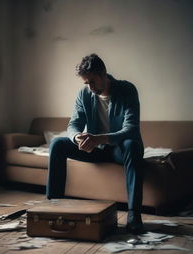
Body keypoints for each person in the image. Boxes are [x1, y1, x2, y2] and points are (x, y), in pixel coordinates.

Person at [46, 53, 145, 234]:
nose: (90, 87)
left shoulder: (127, 89)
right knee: (57, 144)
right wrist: (77, 138)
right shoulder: (84, 94)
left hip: (119, 149)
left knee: (132, 144)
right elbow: (73, 125)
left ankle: (134, 215)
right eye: (86, 83)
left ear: (104, 73)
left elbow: (131, 129)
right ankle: (54, 206)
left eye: (93, 81)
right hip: (95, 149)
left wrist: (99, 138)